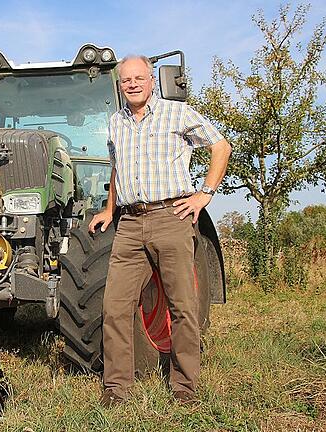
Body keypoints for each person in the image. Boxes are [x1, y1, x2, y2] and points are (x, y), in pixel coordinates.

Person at [89, 55, 231, 407]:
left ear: (151, 80)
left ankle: (184, 388)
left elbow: (221, 146)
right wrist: (110, 208)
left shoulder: (177, 113)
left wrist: (205, 195)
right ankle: (117, 389)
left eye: (139, 78)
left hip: (172, 217)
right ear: (120, 85)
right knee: (115, 306)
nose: (132, 84)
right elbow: (116, 170)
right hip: (130, 224)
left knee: (183, 306)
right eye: (126, 80)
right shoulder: (115, 123)